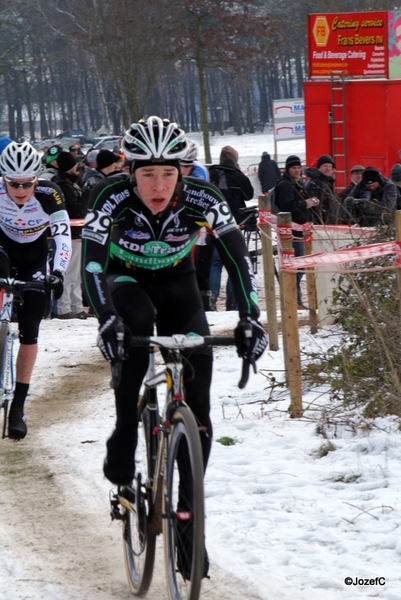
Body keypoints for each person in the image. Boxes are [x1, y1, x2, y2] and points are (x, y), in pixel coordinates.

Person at [81, 116, 267, 577]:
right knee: (135, 328)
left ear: (183, 172)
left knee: (199, 410)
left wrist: (249, 317)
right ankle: (125, 432)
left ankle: (187, 524)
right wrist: (107, 320)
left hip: (180, 285)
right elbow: (92, 265)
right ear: (131, 173)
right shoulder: (111, 198)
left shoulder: (206, 198)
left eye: (169, 174)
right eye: (148, 174)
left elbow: (237, 259)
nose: (159, 185)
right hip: (127, 280)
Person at [0, 142, 71, 438]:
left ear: (36, 179)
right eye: (13, 183)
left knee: (31, 327)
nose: (20, 189)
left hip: (34, 258)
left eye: (27, 183)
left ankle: (18, 407)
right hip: (2, 251)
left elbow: (63, 234)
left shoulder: (49, 193)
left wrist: (57, 272)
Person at [208, 146, 254, 310]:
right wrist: (239, 173)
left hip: (211, 224)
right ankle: (232, 303)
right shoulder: (237, 177)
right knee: (234, 263)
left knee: (215, 264)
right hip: (234, 224)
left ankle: (211, 299)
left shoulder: (211, 173)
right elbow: (249, 195)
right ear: (235, 160)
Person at [275, 155, 319, 309]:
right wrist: (305, 204)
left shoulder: (297, 183)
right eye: (293, 168)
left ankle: (295, 300)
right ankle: (294, 300)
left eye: (298, 168)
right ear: (288, 169)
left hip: (300, 229)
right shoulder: (285, 185)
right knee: (297, 267)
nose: (296, 170)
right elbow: (287, 206)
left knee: (300, 266)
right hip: (292, 231)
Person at [51, 151, 88, 319]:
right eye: (74, 165)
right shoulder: (63, 185)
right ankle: (64, 307)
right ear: (68, 167)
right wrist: (86, 198)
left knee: (76, 273)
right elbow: (75, 210)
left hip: (75, 233)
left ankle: (76, 305)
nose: (77, 168)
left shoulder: (68, 182)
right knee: (69, 272)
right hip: (70, 234)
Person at [179, 139, 215, 310]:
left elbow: (200, 198)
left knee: (200, 261)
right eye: (181, 164)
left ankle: (203, 298)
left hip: (196, 221)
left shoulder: (200, 171)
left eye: (188, 165)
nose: (184, 169)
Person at [304, 154, 342, 224]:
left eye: (330, 166)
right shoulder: (317, 183)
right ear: (319, 167)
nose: (328, 169)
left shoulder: (325, 182)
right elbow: (316, 207)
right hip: (323, 225)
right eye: (325, 166)